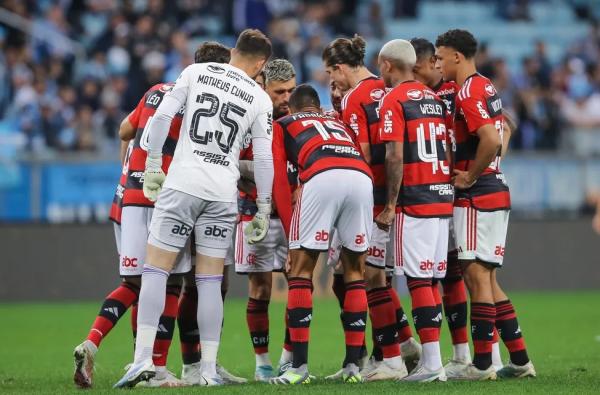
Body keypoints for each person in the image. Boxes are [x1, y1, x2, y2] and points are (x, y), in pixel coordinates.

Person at [114, 29, 274, 388]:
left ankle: (143, 361)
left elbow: (160, 119)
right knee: (209, 281)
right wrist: (262, 207)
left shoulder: (194, 72)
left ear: (234, 51)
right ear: (261, 63)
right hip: (221, 193)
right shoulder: (259, 97)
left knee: (156, 272)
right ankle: (208, 370)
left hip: (182, 185)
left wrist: (153, 165)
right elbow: (263, 159)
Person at [72, 42, 234, 389]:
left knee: (134, 282)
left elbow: (123, 131)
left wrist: (130, 171)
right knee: (170, 282)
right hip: (168, 199)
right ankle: (156, 369)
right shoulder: (205, 102)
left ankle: (95, 343)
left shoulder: (156, 91)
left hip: (129, 196)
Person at [435, 29, 535, 380]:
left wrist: (470, 175)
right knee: (488, 280)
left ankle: (480, 366)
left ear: (456, 57)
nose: (437, 62)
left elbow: (491, 138)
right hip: (496, 188)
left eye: (440, 56)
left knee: (475, 276)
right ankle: (520, 360)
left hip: (478, 194)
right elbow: (502, 132)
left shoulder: (467, 91)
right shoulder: (485, 85)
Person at [322, 34, 419, 381]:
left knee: (367, 276)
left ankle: (390, 354)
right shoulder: (387, 88)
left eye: (330, 73)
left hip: (369, 199)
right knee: (355, 276)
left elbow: (360, 153)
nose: (329, 81)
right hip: (400, 192)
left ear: (338, 67)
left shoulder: (355, 97)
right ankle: (395, 345)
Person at [269, 84, 374, 385]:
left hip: (321, 175)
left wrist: (292, 238)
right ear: (318, 106)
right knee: (355, 271)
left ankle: (298, 368)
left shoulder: (284, 123)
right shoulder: (337, 121)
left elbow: (279, 178)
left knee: (301, 271)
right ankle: (354, 367)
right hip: (360, 177)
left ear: (291, 108)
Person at [376, 39, 453, 382]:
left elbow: (395, 154)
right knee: (433, 279)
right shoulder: (435, 99)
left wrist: (391, 204)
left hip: (416, 197)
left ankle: (432, 364)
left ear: (388, 65)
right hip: (442, 195)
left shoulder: (393, 99)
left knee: (418, 278)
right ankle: (435, 359)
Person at [173, 42, 247, 386]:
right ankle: (192, 365)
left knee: (213, 284)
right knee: (196, 282)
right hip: (198, 194)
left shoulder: (188, 91)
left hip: (209, 194)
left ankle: (205, 363)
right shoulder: (196, 95)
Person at [409, 37, 473, 375]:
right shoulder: (427, 96)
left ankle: (462, 353)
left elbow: (501, 123)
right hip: (439, 191)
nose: (436, 65)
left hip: (449, 192)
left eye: (438, 60)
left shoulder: (457, 91)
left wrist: (480, 167)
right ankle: (455, 355)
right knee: (443, 275)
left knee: (450, 275)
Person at [232, 58, 298, 381]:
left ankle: (288, 357)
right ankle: (262, 364)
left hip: (293, 216)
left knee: (299, 283)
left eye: (291, 90)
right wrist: (255, 176)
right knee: (260, 290)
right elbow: (232, 166)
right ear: (263, 88)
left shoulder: (298, 121)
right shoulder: (247, 119)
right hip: (252, 215)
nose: (286, 98)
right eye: (279, 92)